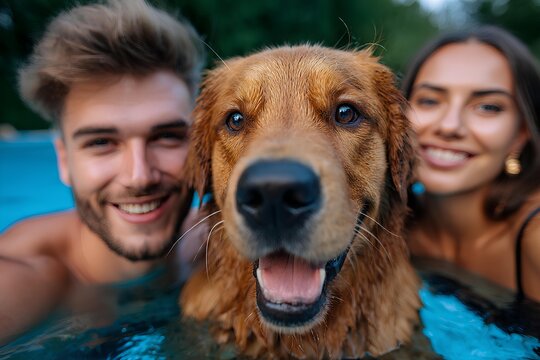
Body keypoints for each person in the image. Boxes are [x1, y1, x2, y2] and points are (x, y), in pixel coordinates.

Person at [0, 0, 205, 343]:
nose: (139, 176)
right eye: (102, 142)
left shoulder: (216, 245)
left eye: (167, 137)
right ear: (64, 160)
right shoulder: (21, 282)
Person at [401, 25, 540, 302]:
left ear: (520, 135)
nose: (450, 126)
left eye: (488, 107)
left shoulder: (535, 236)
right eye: (429, 100)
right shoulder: (386, 223)